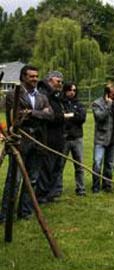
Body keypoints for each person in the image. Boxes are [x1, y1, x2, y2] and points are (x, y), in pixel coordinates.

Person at [0, 65, 53, 222]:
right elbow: (17, 116)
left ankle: (25, 211)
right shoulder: (13, 94)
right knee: (14, 180)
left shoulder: (42, 97)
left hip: (38, 142)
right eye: (31, 76)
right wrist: (39, 113)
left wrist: (31, 113)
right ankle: (4, 215)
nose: (35, 79)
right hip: (20, 142)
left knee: (32, 179)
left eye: (36, 76)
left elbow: (50, 115)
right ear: (23, 77)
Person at [36, 70, 65, 203]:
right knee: (46, 168)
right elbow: (48, 116)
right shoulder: (43, 94)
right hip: (47, 137)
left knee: (55, 167)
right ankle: (41, 195)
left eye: (61, 82)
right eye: (58, 81)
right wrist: (61, 117)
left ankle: (50, 194)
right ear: (49, 80)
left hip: (58, 137)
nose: (60, 84)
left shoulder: (55, 95)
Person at [92, 84, 114, 193]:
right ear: (107, 94)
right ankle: (95, 186)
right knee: (97, 162)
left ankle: (107, 185)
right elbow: (99, 117)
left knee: (109, 164)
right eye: (113, 94)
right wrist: (108, 106)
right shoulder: (97, 103)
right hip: (101, 139)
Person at [60, 82, 87, 196]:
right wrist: (73, 115)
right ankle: (57, 189)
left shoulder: (79, 104)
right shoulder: (61, 103)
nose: (72, 92)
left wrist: (69, 115)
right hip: (64, 138)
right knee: (60, 165)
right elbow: (60, 117)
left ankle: (81, 189)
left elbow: (82, 117)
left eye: (74, 90)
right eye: (70, 90)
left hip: (77, 138)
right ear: (65, 91)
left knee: (79, 165)